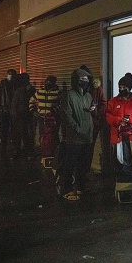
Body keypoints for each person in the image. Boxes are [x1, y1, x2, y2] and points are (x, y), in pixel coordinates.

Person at [59, 68, 95, 201]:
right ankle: (66, 189)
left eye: (86, 79)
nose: (84, 81)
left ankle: (81, 187)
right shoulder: (69, 95)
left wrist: (93, 109)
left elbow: (91, 111)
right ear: (76, 80)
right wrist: (77, 128)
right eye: (82, 79)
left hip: (87, 136)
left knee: (83, 165)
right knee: (70, 164)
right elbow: (66, 115)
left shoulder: (88, 96)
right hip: (75, 138)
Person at [105, 73, 132, 181]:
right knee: (118, 163)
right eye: (120, 87)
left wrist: (131, 120)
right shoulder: (113, 102)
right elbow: (108, 117)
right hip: (117, 138)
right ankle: (119, 183)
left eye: (124, 87)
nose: (121, 89)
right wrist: (119, 120)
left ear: (129, 88)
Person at [80, 65, 108, 177]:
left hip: (93, 122)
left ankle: (85, 170)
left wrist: (96, 112)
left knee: (89, 147)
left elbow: (103, 103)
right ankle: (81, 170)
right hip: (80, 123)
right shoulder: (77, 89)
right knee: (81, 147)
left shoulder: (97, 89)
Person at [30, 75, 61, 155]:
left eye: (50, 82)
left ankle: (53, 153)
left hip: (52, 118)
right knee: (42, 135)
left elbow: (62, 104)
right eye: (47, 81)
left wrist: (56, 110)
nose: (48, 83)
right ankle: (43, 151)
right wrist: (33, 110)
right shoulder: (40, 91)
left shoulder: (58, 93)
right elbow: (31, 100)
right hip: (41, 117)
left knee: (53, 135)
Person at [11, 73, 35, 158]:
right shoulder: (26, 89)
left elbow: (15, 103)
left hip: (21, 114)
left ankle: (18, 151)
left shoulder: (19, 90)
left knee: (20, 134)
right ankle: (27, 152)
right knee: (25, 134)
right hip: (23, 114)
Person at [0, 69, 17, 150]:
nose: (10, 76)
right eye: (9, 74)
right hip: (4, 110)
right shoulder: (2, 85)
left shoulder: (15, 85)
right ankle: (3, 143)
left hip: (13, 110)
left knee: (13, 128)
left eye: (12, 74)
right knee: (4, 128)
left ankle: (12, 144)